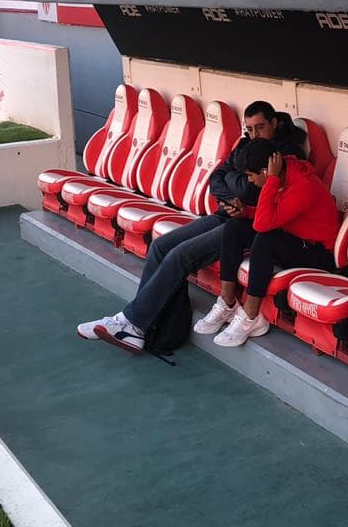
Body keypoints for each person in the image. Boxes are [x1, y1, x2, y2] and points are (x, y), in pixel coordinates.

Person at [77, 102, 308, 354]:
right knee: (159, 246)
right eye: (249, 129)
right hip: (226, 212)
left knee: (180, 256)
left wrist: (234, 182)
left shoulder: (285, 153)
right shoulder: (246, 143)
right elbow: (216, 179)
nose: (253, 135)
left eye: (260, 128)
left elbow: (249, 190)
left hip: (246, 224)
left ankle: (134, 323)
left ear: (274, 123)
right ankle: (137, 323)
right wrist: (231, 190)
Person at [200, 138, 340, 347]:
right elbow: (270, 216)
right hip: (291, 238)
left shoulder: (303, 185)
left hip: (317, 254)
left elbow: (263, 225)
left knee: (265, 239)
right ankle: (227, 302)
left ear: (266, 171)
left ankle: (251, 316)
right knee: (234, 226)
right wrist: (245, 212)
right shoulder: (284, 175)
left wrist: (271, 182)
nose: (249, 181)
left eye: (250, 175)